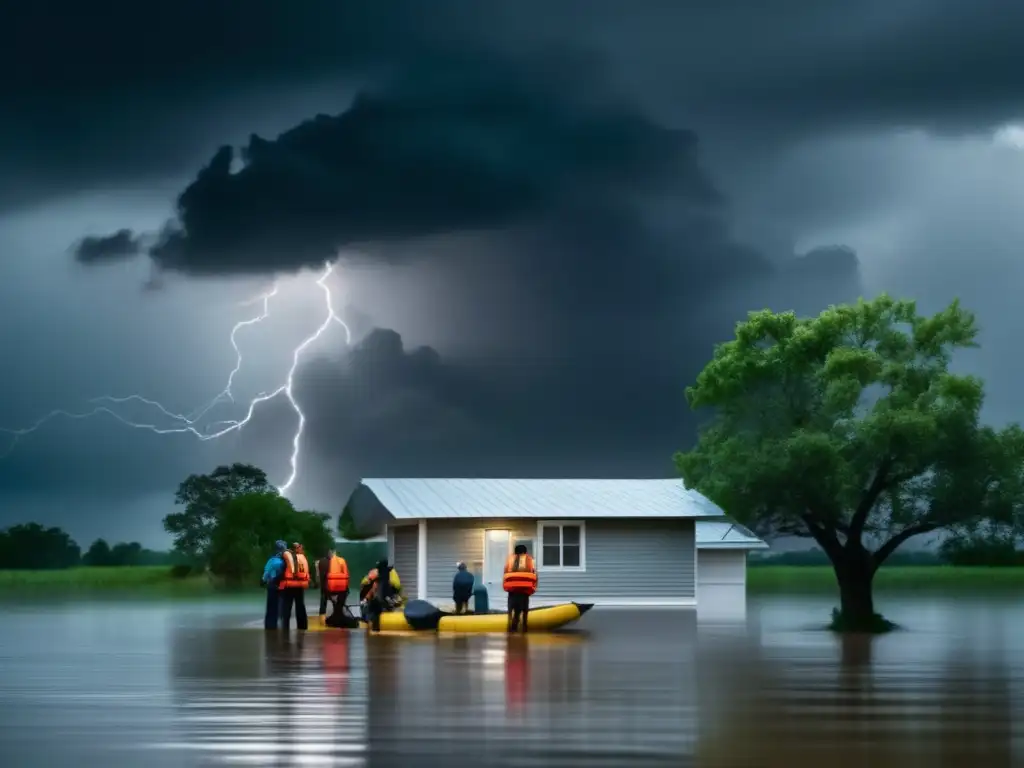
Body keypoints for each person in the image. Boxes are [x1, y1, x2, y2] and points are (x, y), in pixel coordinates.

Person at [503, 544, 537, 633]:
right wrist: (533, 587)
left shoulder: (510, 559)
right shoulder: (529, 559)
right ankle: (524, 626)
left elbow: (505, 571)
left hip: (512, 589)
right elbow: (533, 572)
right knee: (524, 609)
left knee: (512, 608)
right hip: (524, 589)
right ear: (525, 552)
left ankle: (511, 624)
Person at [363, 559, 402, 632]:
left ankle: (373, 626)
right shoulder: (387, 575)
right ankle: (371, 623)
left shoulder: (382, 578)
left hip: (385, 602)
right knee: (373, 605)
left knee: (374, 607)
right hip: (386, 601)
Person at [279, 541, 311, 630]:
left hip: (289, 585)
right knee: (300, 606)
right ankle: (303, 627)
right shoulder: (303, 557)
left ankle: (285, 627)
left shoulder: (286, 556)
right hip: (300, 585)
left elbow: (281, 569)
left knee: (287, 607)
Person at [318, 548, 350, 625]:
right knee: (339, 601)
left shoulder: (321, 562)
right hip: (340, 587)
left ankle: (322, 619)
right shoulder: (341, 561)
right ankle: (338, 615)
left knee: (323, 601)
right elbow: (347, 575)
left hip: (327, 587)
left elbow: (320, 576)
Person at [260, 540, 287, 629]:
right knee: (281, 606)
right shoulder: (286, 562)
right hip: (283, 586)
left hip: (272, 586)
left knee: (271, 607)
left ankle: (270, 626)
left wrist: (263, 581)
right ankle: (282, 625)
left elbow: (266, 573)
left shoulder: (272, 560)